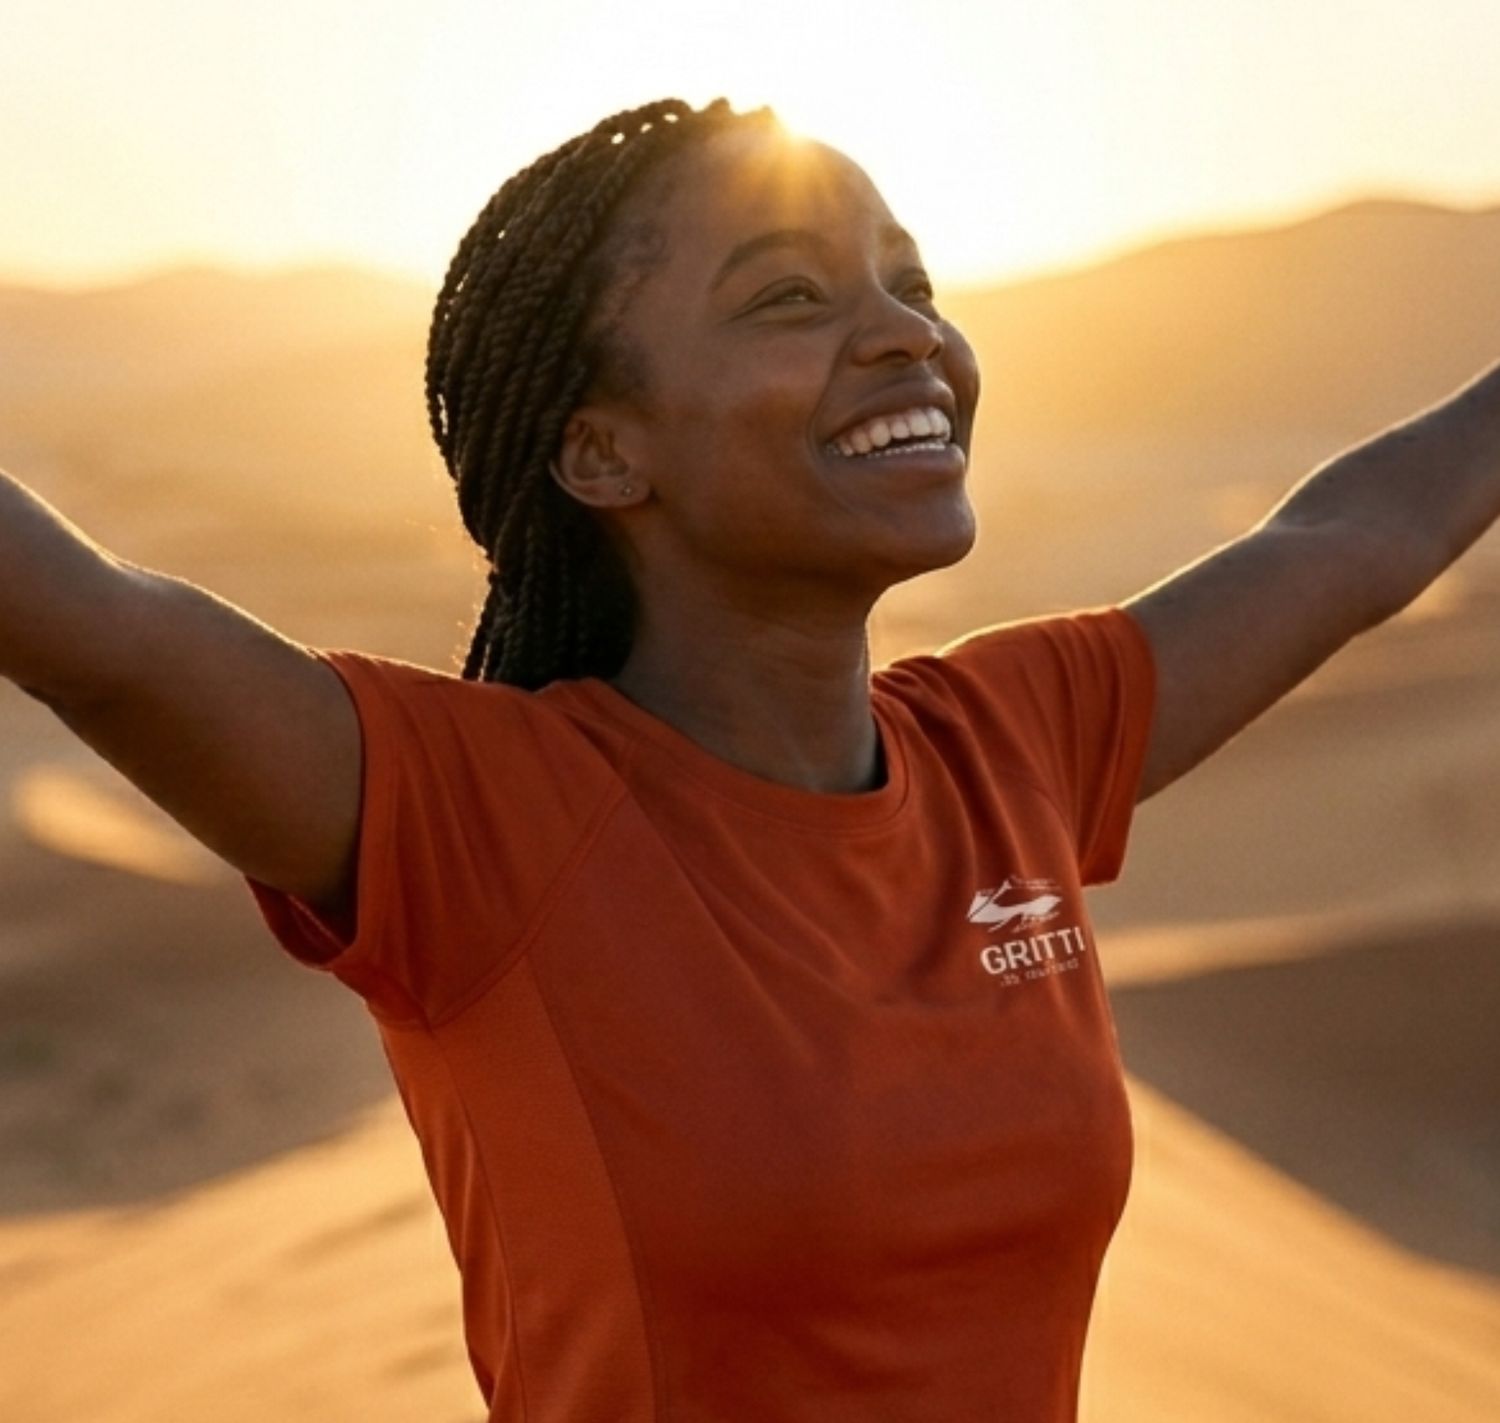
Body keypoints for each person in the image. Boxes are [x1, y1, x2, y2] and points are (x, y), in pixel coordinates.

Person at [3, 93, 1497, 1421]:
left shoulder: (1014, 746)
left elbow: (1349, 542)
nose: (907, 331)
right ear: (603, 453)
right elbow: (91, 628)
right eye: (788, 296)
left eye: (911, 283)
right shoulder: (474, 820)